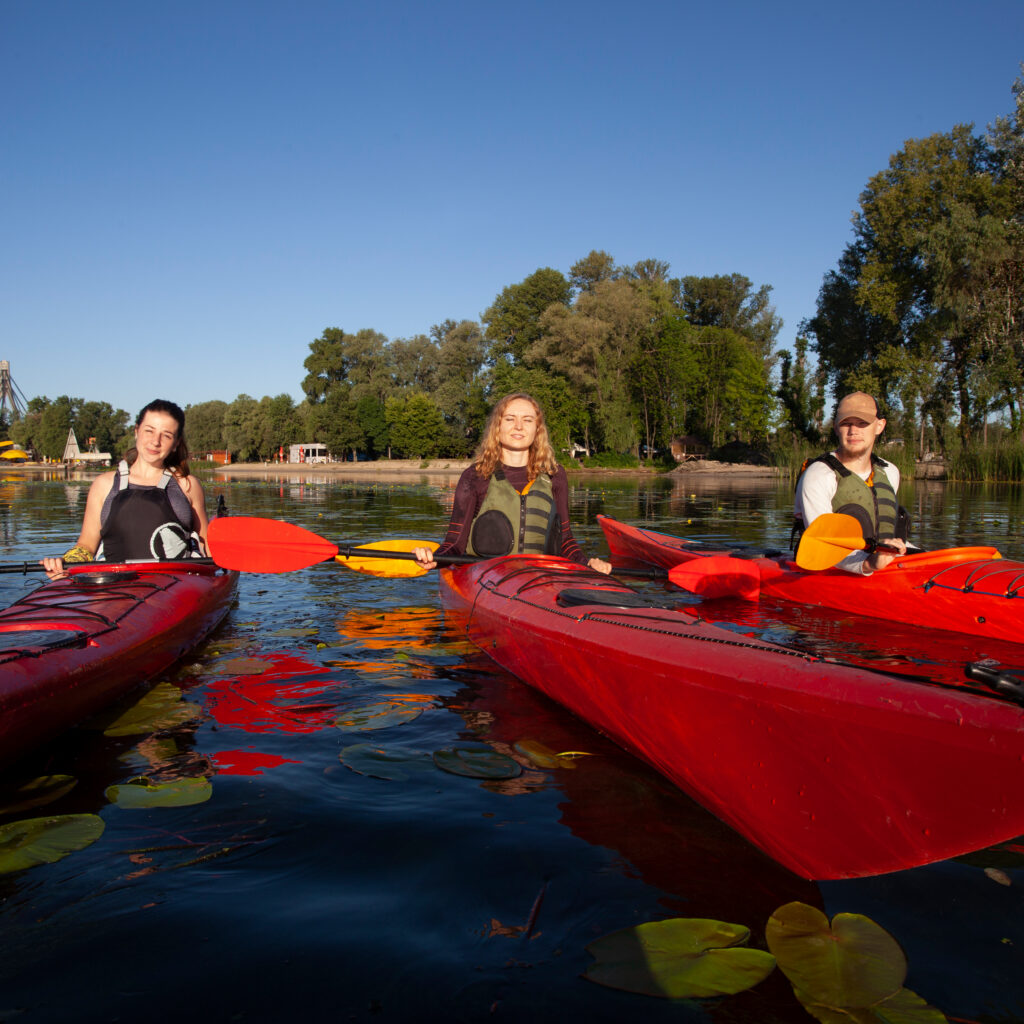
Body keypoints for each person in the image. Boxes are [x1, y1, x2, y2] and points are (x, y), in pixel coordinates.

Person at [413, 393, 612, 574]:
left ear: (537, 429)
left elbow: (566, 540)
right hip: (485, 577)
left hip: (540, 577)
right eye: (509, 419)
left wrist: (587, 564)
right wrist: (434, 559)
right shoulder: (475, 476)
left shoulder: (555, 475)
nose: (519, 426)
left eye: (527, 420)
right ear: (497, 427)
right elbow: (455, 543)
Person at [41, 399, 209, 579]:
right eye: (149, 431)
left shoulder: (187, 485)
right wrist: (65, 564)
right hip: (114, 589)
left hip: (175, 590)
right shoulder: (103, 484)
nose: (155, 442)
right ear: (136, 431)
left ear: (176, 443)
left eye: (166, 435)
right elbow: (87, 545)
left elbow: (207, 547)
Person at [793, 391, 909, 575]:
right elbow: (824, 545)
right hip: (835, 571)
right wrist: (868, 564)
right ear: (835, 427)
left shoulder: (890, 472)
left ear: (879, 426)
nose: (853, 431)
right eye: (846, 423)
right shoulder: (818, 476)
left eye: (863, 423)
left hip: (885, 567)